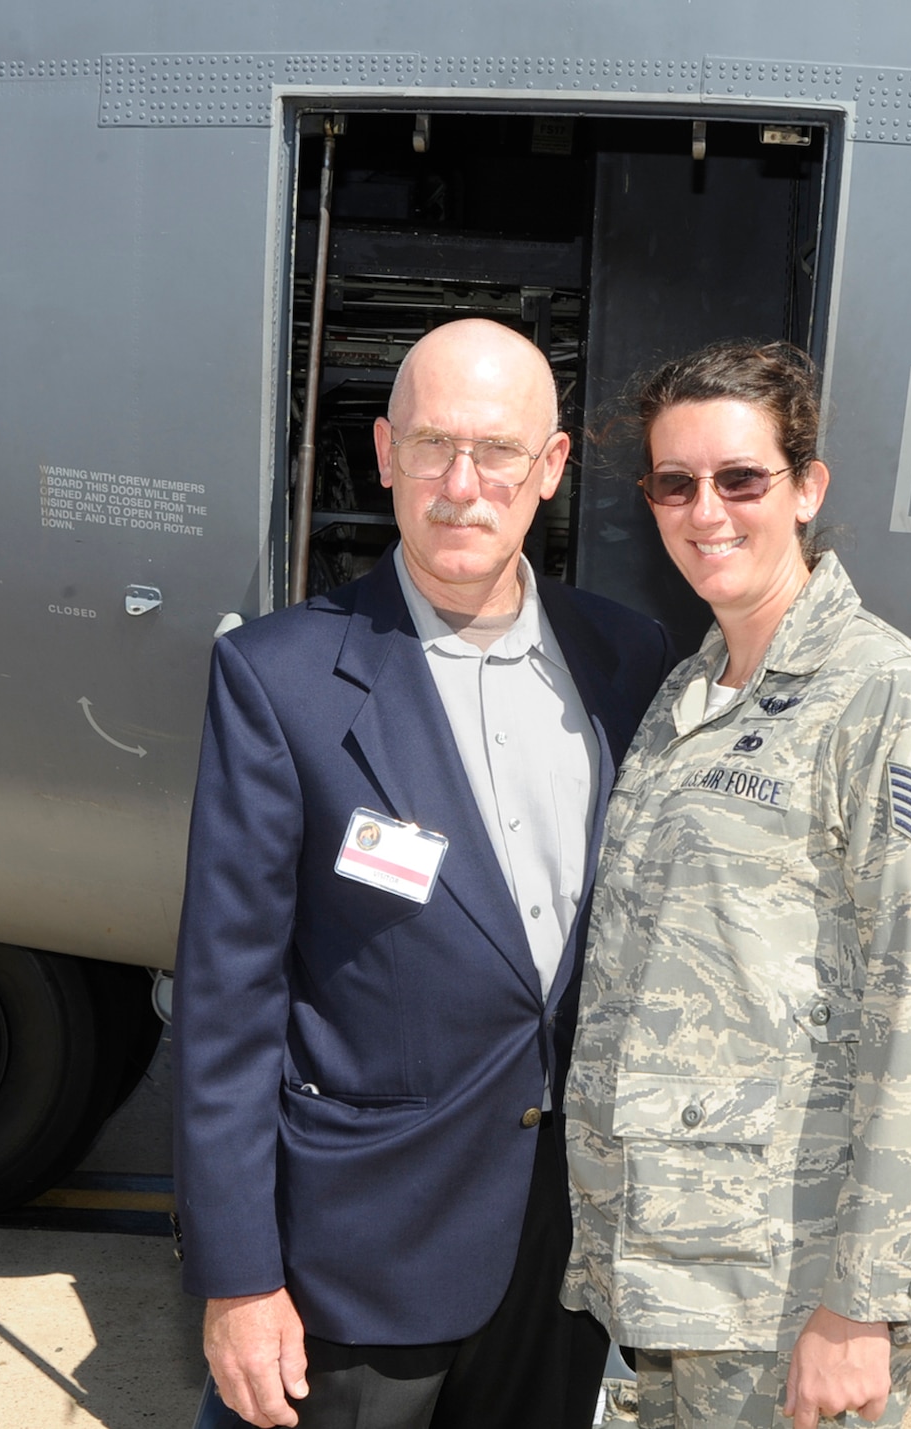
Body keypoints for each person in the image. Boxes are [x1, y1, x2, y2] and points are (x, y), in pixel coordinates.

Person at [174, 317, 675, 1429]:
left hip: (564, 1262)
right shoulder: (281, 677)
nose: (462, 484)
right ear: (383, 451)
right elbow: (227, 1005)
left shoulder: (625, 660)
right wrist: (239, 1277)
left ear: (548, 469)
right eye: (432, 444)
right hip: (359, 1254)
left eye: (496, 451)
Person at [561, 341, 911, 1428]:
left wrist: (862, 1301)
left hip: (790, 1278)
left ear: (805, 489)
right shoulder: (688, 692)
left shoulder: (881, 697)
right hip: (679, 1268)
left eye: (740, 478)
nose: (705, 510)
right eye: (674, 482)